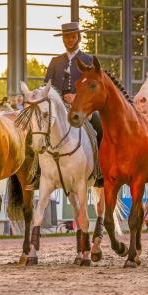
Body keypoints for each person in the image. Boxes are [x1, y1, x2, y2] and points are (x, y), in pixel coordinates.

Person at [43, 21, 103, 186]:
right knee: (36, 129)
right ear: (63, 40)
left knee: (100, 126)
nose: (69, 40)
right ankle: (35, 172)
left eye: (72, 36)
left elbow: (95, 86)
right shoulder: (55, 61)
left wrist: (76, 97)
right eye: (66, 37)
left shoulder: (88, 59)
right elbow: (45, 86)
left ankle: (99, 171)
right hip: (56, 109)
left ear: (78, 37)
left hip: (82, 108)